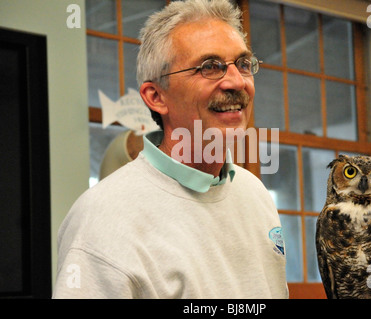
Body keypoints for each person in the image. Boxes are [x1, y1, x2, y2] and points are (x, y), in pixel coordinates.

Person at [53, 0, 288, 299]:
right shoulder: (102, 219)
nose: (237, 81)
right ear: (156, 97)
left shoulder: (255, 195)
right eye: (210, 67)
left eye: (243, 64)